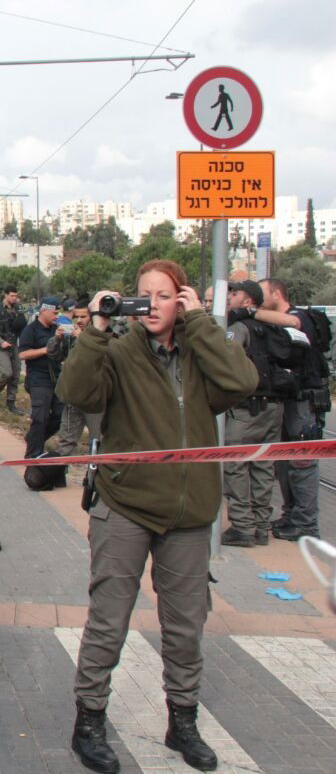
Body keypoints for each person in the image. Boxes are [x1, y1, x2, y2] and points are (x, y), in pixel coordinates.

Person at [57, 259, 256, 774]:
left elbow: (242, 382)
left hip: (189, 513)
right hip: (125, 505)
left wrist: (202, 324)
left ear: (182, 299)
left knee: (186, 625)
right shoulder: (119, 350)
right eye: (141, 295)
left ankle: (182, 720)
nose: (151, 304)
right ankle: (90, 721)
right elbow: (77, 394)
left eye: (163, 296)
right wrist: (97, 329)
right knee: (110, 619)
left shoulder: (199, 350)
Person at [221, 279, 291, 547]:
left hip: (246, 408)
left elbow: (224, 360)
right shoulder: (272, 325)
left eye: (235, 294)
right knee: (264, 465)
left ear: (248, 301)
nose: (230, 298)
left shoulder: (239, 327)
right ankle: (262, 526)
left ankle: (243, 527)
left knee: (235, 464)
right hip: (274, 406)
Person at [257, 277, 326, 541]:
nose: (261, 302)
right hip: (291, 399)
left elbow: (294, 326)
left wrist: (251, 312)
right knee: (285, 462)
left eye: (263, 295)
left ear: (276, 293)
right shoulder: (281, 320)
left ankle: (306, 524)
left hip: (305, 400)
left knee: (302, 460)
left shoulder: (298, 317)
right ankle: (292, 516)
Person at [18, 298, 66, 463]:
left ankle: (33, 438)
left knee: (61, 416)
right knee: (40, 417)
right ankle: (33, 456)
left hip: (57, 379)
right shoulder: (30, 330)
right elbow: (22, 354)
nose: (56, 316)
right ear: (44, 310)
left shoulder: (56, 329)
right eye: (54, 312)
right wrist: (46, 349)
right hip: (39, 380)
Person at [52, 300, 102, 459]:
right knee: (65, 442)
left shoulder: (100, 336)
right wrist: (57, 339)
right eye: (76, 316)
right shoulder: (71, 335)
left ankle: (95, 480)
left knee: (98, 443)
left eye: (84, 317)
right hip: (74, 398)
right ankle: (58, 475)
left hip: (95, 399)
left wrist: (83, 339)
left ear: (92, 317)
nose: (79, 320)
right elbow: (54, 355)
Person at [0, 288, 26, 415]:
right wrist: (1, 341)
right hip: (2, 346)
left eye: (16, 295)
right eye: (12, 295)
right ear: (6, 295)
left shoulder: (18, 308)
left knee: (15, 375)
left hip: (14, 345)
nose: (14, 298)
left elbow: (23, 325)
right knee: (7, 373)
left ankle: (11, 403)